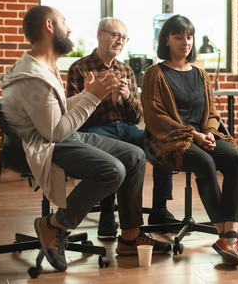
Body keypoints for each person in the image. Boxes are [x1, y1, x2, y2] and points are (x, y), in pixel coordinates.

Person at [0, 6, 171, 273]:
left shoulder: (43, 67)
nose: (69, 29)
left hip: (58, 135)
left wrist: (86, 94)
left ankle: (130, 236)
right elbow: (53, 132)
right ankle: (55, 224)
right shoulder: (35, 77)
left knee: (135, 156)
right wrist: (93, 97)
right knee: (113, 170)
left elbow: (56, 111)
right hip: (44, 144)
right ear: (49, 26)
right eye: (64, 22)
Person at [141, 15, 238, 266]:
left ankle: (232, 234)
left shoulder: (200, 72)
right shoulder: (154, 73)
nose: (185, 42)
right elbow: (156, 117)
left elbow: (212, 112)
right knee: (204, 162)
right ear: (166, 39)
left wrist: (209, 132)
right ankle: (224, 236)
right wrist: (194, 135)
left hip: (202, 135)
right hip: (168, 139)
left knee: (235, 158)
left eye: (189, 36)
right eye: (178, 36)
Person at [66, 17, 174, 240]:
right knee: (106, 152)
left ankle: (160, 209)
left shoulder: (126, 70)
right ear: (100, 35)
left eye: (124, 37)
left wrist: (125, 98)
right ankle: (107, 214)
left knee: (162, 142)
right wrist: (107, 99)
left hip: (125, 128)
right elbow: (76, 119)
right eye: (115, 35)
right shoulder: (79, 68)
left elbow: (136, 117)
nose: (120, 41)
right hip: (94, 129)